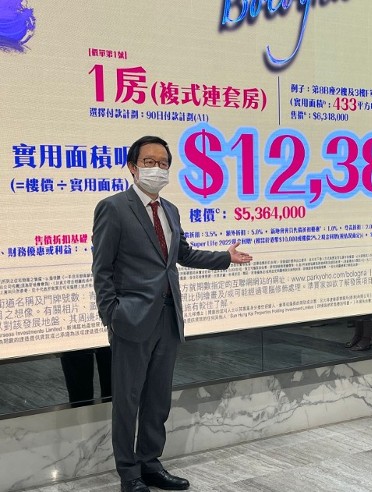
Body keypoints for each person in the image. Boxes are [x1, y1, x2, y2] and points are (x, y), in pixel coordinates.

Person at [92, 135, 253, 492]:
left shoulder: (170, 210)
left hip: (168, 318)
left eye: (163, 163)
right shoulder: (113, 208)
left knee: (157, 399)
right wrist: (112, 315)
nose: (157, 169)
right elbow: (101, 268)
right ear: (133, 167)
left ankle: (150, 464)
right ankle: (129, 474)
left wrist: (224, 258)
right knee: (127, 401)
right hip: (130, 320)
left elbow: (183, 254)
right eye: (149, 162)